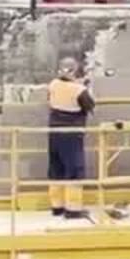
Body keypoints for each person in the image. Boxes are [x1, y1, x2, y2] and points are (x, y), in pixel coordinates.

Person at [45, 57, 95, 221]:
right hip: (72, 134)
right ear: (75, 71)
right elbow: (90, 106)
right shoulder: (79, 90)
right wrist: (87, 87)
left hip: (54, 132)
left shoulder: (53, 85)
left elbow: (54, 98)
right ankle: (73, 209)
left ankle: (57, 206)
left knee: (56, 167)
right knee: (74, 168)